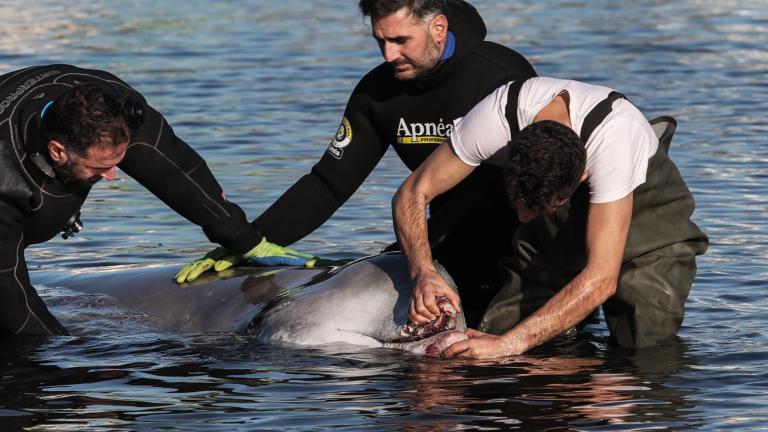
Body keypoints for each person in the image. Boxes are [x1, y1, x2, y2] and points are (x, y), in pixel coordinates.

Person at [177, 0, 537, 326]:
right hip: (445, 237)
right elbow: (328, 184)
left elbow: (549, 174)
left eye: (400, 40)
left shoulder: (499, 75)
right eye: (380, 41)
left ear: (438, 28)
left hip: (523, 236)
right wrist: (249, 242)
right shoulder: (378, 93)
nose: (388, 55)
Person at [392, 77, 708, 358]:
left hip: (649, 226)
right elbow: (411, 194)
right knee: (488, 341)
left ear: (582, 175)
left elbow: (601, 279)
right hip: (555, 229)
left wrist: (510, 345)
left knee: (642, 348)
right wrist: (423, 271)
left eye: (535, 209)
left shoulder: (614, 141)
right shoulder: (495, 119)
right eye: (518, 204)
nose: (523, 218)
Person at [0, 64, 314, 336]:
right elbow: (10, 298)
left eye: (117, 161)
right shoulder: (5, 183)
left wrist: (245, 240)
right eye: (100, 167)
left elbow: (179, 173)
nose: (112, 176)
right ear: (57, 152)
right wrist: (66, 355)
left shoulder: (116, 107)